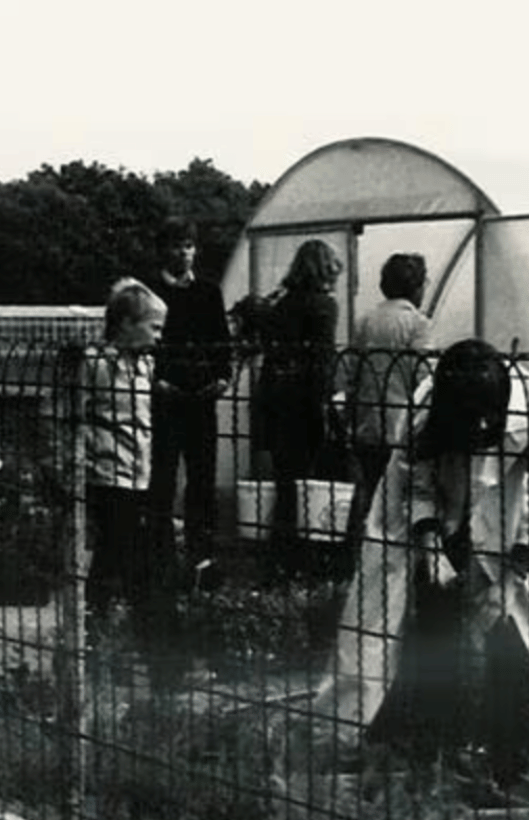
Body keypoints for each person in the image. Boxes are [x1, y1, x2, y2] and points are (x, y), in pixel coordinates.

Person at [311, 339, 529, 788]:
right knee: (399, 619)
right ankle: (392, 738)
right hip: (434, 509)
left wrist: (510, 581)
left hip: (504, 520)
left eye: (487, 422)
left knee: (507, 627)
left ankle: (511, 750)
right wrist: (430, 544)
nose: (481, 429)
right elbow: (417, 480)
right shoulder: (426, 407)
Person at [80, 278, 167, 640]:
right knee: (123, 554)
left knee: (115, 554)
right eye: (154, 327)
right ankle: (129, 634)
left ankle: (102, 627)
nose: (159, 336)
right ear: (127, 324)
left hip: (139, 472)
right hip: (107, 472)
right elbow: (70, 413)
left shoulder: (145, 366)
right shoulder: (95, 364)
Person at [252, 239, 342, 560]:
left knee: (286, 481)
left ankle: (281, 553)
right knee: (313, 480)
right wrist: (328, 402)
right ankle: (308, 553)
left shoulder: (281, 303)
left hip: (277, 400)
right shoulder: (323, 305)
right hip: (305, 403)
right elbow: (323, 359)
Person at [149, 225, 233, 570]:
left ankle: (201, 554)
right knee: (163, 477)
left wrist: (223, 378)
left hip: (201, 397)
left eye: (189, 246)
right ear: (164, 251)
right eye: (177, 246)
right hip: (166, 396)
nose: (184, 253)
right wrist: (156, 381)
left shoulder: (208, 291)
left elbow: (221, 341)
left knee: (202, 478)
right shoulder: (151, 292)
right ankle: (161, 555)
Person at [336, 252, 432, 549]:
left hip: (367, 422)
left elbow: (348, 370)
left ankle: (362, 552)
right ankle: (394, 554)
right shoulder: (418, 324)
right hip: (402, 424)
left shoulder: (365, 321)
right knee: (400, 497)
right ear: (416, 287)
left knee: (368, 490)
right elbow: (424, 376)